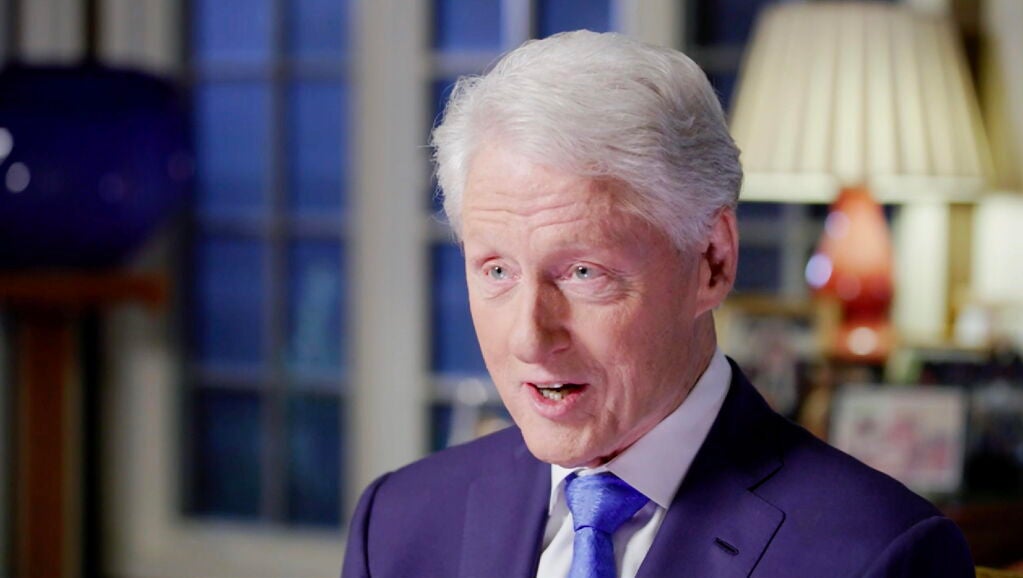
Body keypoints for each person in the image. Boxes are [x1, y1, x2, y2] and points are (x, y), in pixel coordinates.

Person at [342, 30, 974, 578]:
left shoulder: (881, 554)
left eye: (583, 272)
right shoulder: (397, 522)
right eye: (498, 270)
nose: (529, 338)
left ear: (712, 262)